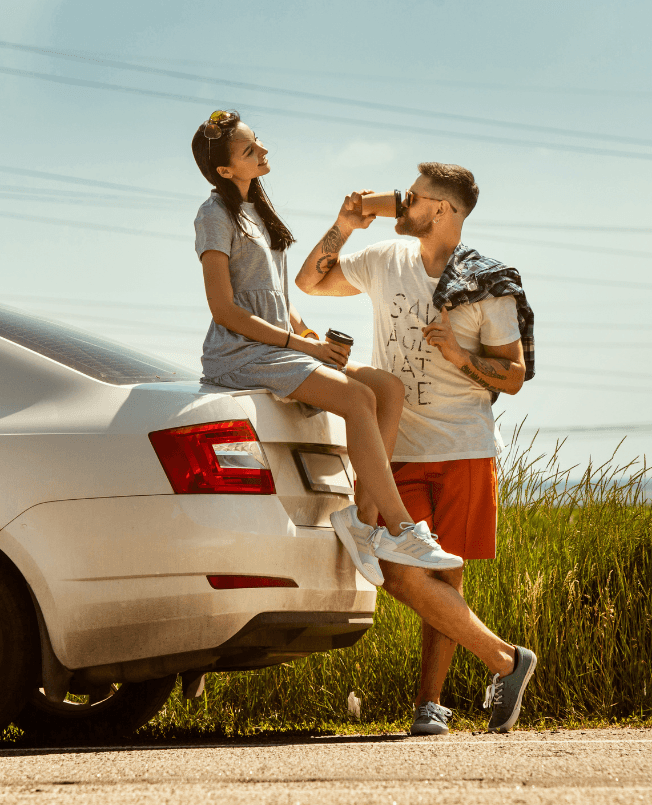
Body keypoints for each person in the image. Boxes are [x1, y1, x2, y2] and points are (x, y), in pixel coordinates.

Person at [294, 162, 537, 734]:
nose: (403, 204)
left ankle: (429, 706)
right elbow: (310, 282)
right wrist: (344, 224)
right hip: (395, 448)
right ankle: (506, 659)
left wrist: (459, 356)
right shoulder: (385, 258)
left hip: (462, 446)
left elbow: (513, 376)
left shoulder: (487, 284)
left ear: (443, 210)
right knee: (399, 573)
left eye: (416, 197)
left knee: (444, 580)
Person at [190, 110, 464, 577]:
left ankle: (363, 523)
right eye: (250, 150)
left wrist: (306, 334)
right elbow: (225, 310)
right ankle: (402, 529)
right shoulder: (213, 215)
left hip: (279, 345)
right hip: (240, 353)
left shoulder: (257, 209)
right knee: (358, 398)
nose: (263, 150)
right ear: (224, 170)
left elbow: (272, 294)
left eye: (258, 141)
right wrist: (302, 346)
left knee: (388, 389)